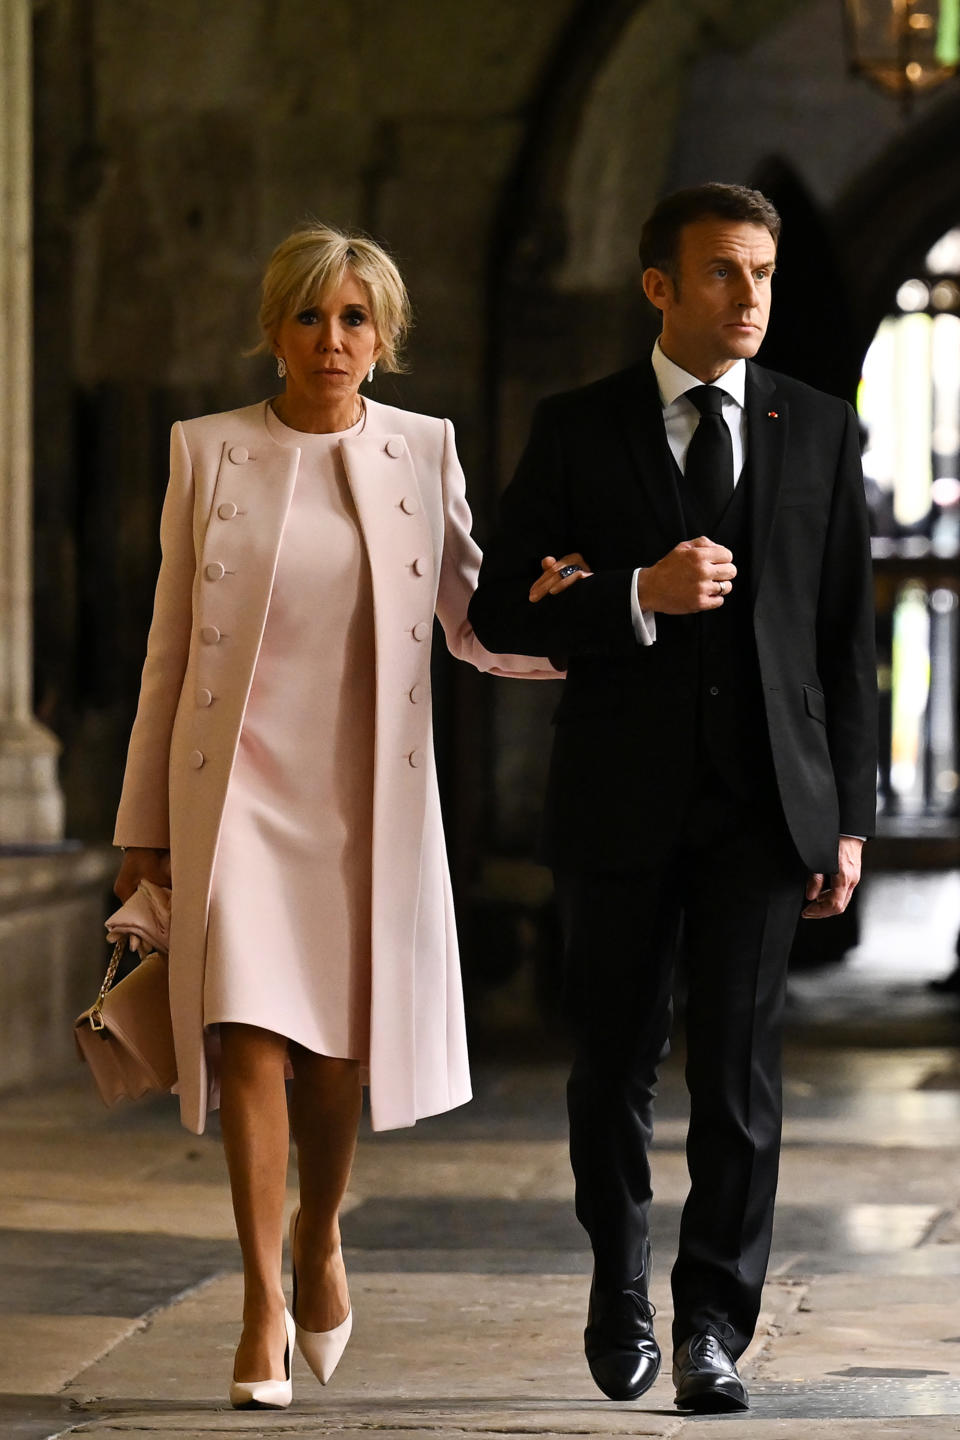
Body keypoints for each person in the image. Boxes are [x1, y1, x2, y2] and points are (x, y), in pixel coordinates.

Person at [113, 223, 562, 1410]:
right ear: (272, 330)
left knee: (334, 1063)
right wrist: (140, 828)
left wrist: (598, 627)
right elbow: (168, 652)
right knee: (247, 1036)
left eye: (355, 318)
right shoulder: (206, 452)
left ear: (385, 336)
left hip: (365, 796)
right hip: (239, 796)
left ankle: (320, 1239)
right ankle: (261, 1298)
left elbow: (475, 617)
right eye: (310, 316)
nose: (332, 339)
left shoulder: (425, 450)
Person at [469, 183, 877, 1413]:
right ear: (660, 286)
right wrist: (635, 591)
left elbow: (845, 635)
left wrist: (847, 815)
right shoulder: (579, 428)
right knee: (611, 1064)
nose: (749, 296)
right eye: (721, 274)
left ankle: (713, 1327)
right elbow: (497, 612)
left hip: (765, 802)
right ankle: (620, 1285)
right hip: (618, 795)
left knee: (742, 1076)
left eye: (761, 273)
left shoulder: (819, 428)